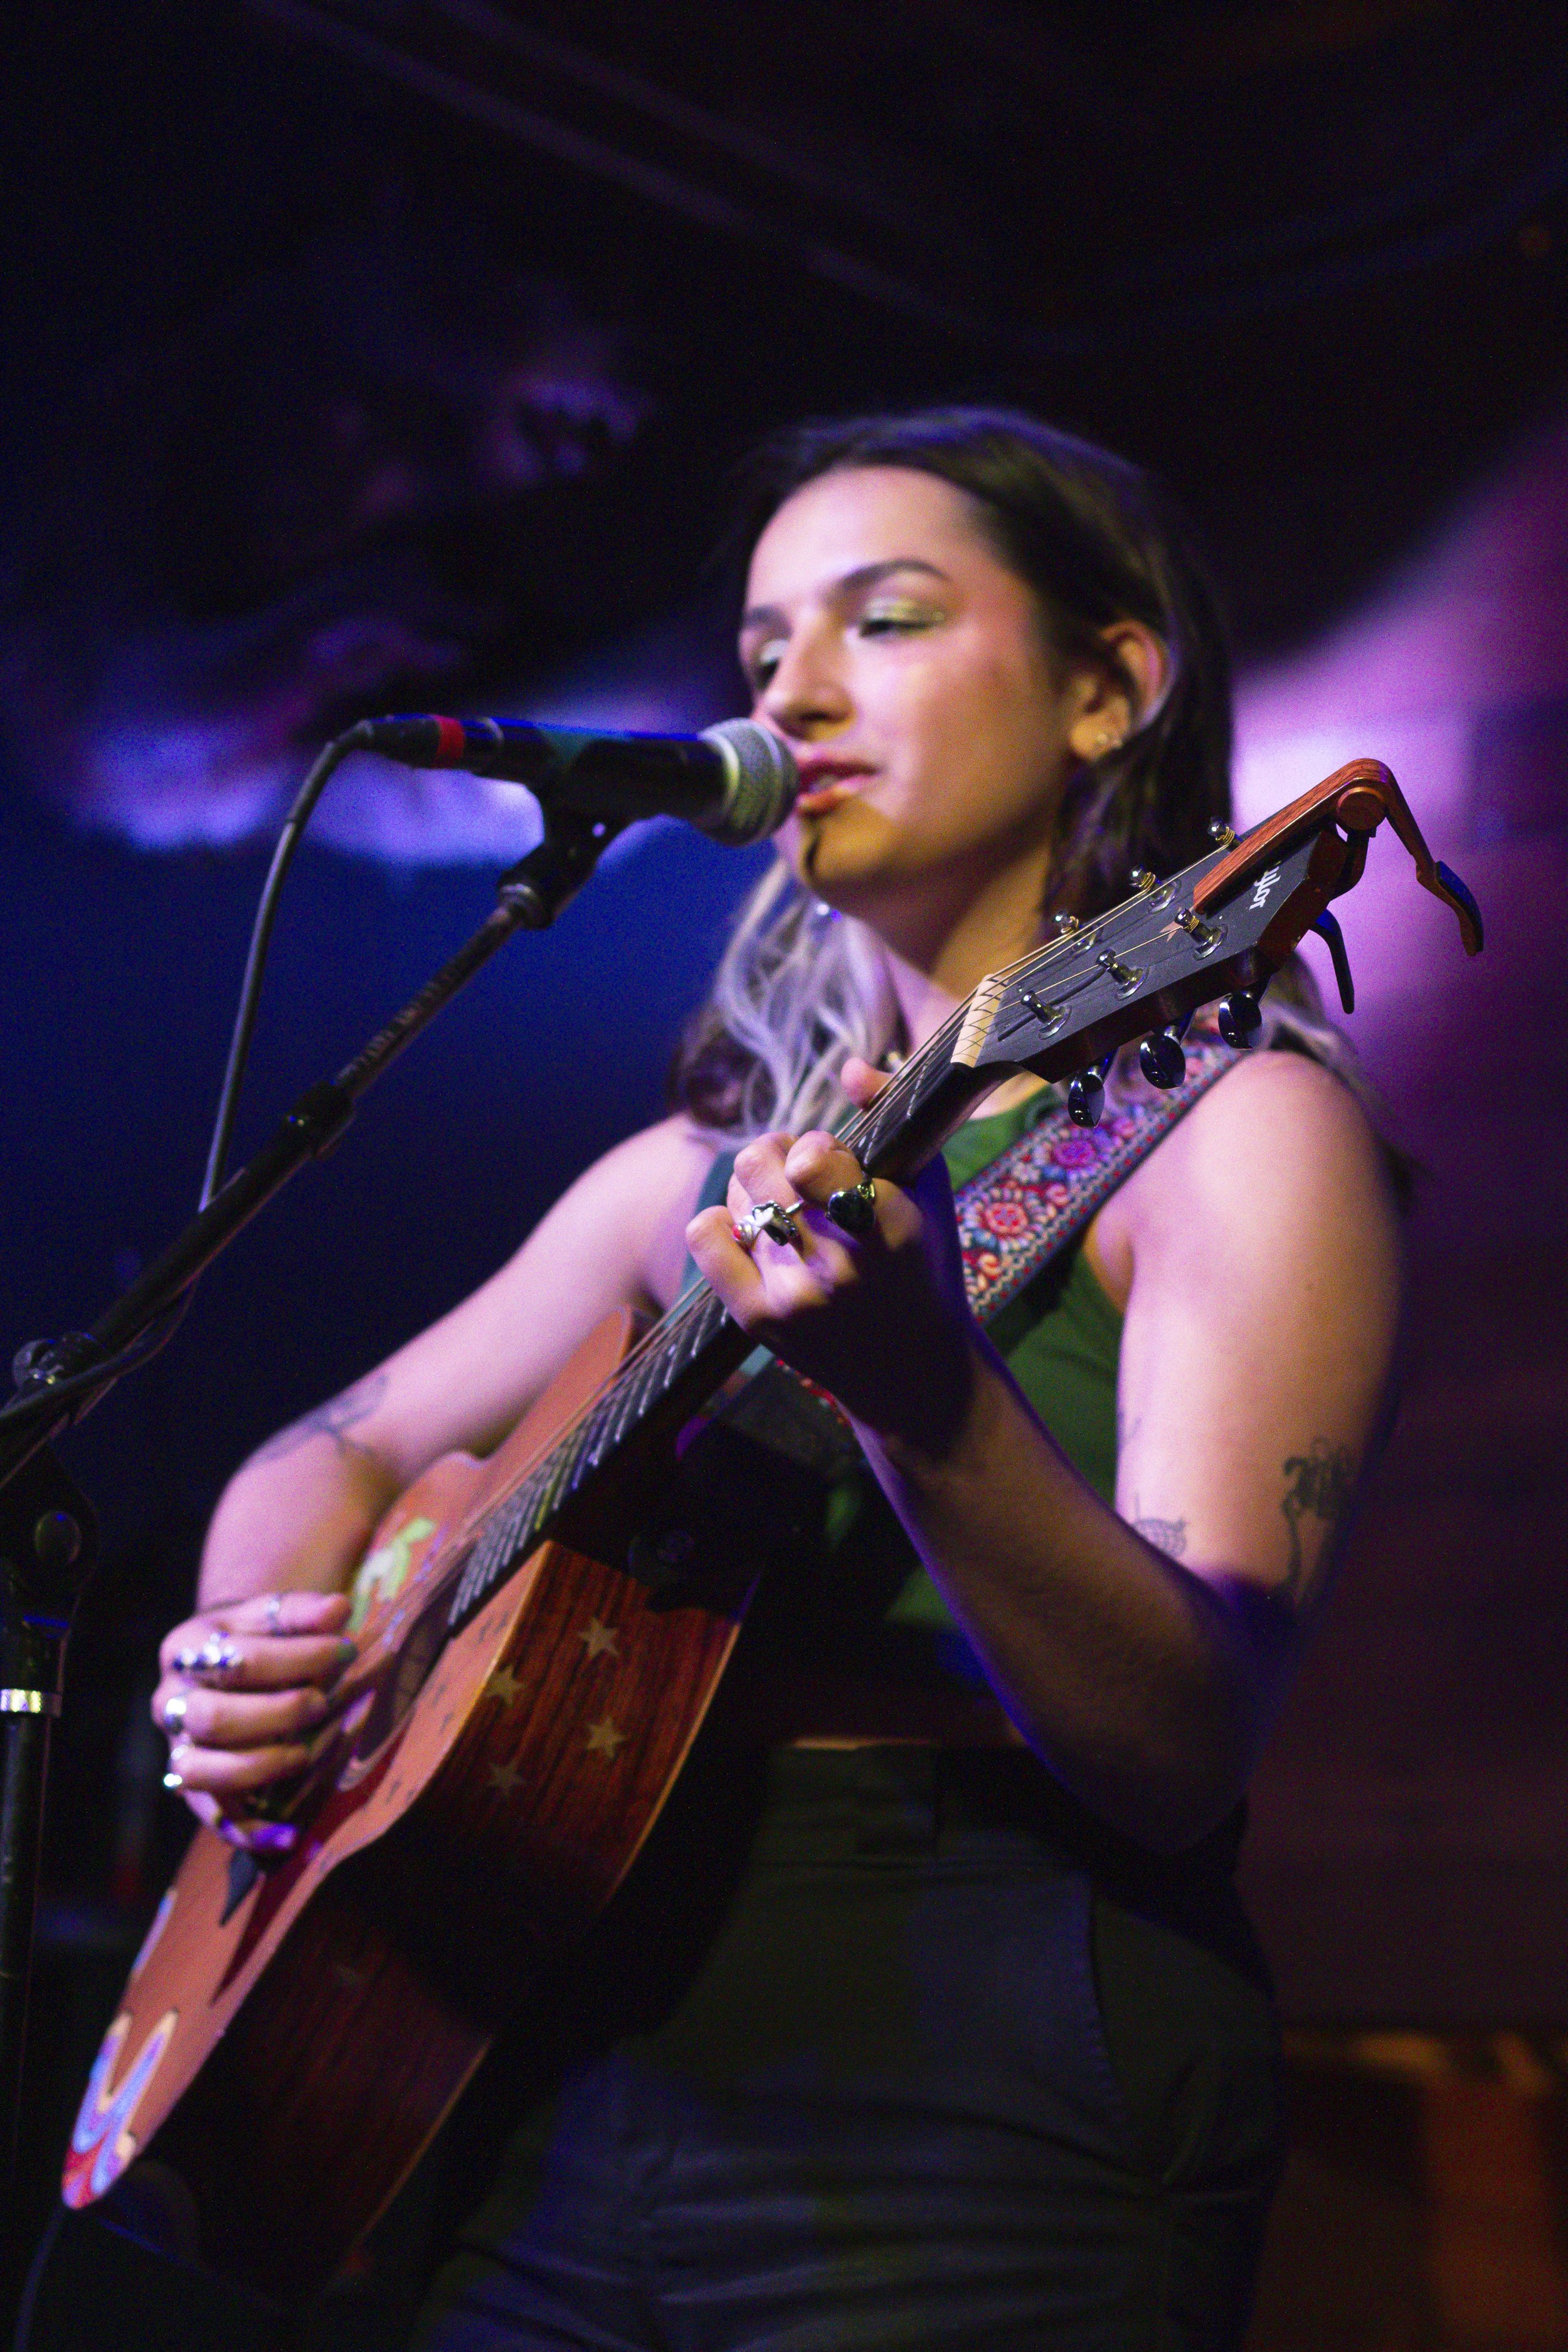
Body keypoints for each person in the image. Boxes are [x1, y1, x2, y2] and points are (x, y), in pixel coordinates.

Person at [152, 409, 1401, 2348]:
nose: (792, 694)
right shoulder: (687, 1187)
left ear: (1107, 687)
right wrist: (264, 1651)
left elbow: (1179, 1753)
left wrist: (931, 1405)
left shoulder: (1228, 1128)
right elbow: (335, 1450)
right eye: (755, 657)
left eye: (882, 622)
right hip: (554, 2037)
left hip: (980, 2066)